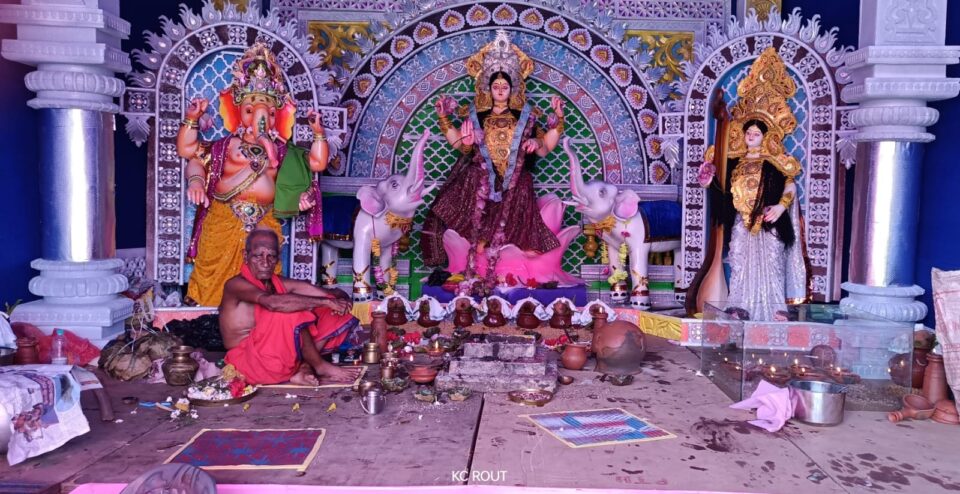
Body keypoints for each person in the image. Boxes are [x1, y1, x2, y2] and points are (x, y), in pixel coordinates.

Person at [176, 42, 330, 307]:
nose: (260, 119)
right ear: (237, 112)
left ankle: (259, 317)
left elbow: (317, 163)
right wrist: (196, 180)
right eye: (250, 110)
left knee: (264, 275)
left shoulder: (282, 151)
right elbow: (190, 153)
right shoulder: (227, 146)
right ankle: (209, 315)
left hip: (264, 221)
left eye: (268, 113)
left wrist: (318, 133)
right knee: (213, 272)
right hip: (224, 216)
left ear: (276, 116)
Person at [420, 30, 565, 284]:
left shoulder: (525, 117)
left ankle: (517, 250)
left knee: (520, 190)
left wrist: (549, 129)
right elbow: (460, 144)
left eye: (504, 86)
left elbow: (544, 148)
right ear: (488, 88)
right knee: (475, 186)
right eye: (496, 86)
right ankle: (479, 241)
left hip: (516, 180)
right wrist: (444, 119)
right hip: (481, 178)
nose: (500, 90)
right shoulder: (477, 115)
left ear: (512, 89)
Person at [696, 48, 807, 320]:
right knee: (739, 261)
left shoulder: (776, 162)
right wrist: (709, 181)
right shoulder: (736, 162)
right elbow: (724, 192)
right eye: (748, 132)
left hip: (769, 220)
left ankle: (776, 310)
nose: (751, 136)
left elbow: (790, 186)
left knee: (771, 263)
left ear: (766, 136)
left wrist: (780, 208)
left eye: (756, 133)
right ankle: (740, 308)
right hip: (742, 221)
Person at [220, 229, 363, 385]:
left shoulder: (276, 282)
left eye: (271, 256)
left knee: (329, 309)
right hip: (248, 363)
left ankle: (304, 367)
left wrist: (339, 300)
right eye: (258, 256)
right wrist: (326, 302)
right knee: (290, 310)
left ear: (278, 258)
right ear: (245, 256)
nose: (265, 263)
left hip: (276, 355)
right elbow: (272, 303)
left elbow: (330, 294)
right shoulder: (235, 284)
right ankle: (319, 366)